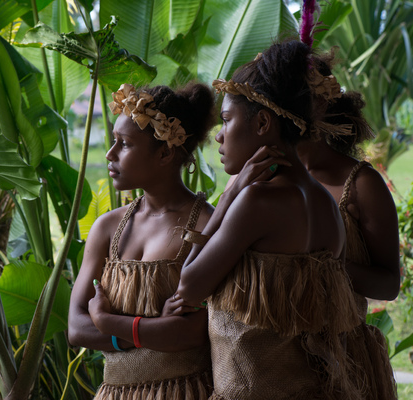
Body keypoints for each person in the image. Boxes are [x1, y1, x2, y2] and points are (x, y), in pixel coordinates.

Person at [93, 40, 365, 399]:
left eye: (227, 120)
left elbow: (188, 286)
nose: (219, 136)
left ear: (264, 123)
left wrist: (228, 200)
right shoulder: (324, 203)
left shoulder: (257, 201)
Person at [68, 82, 216, 398]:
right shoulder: (107, 228)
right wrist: (144, 332)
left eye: (124, 144)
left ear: (164, 152)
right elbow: (76, 327)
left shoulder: (206, 226)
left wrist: (107, 321)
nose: (110, 154)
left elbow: (192, 333)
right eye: (113, 142)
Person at [296, 52, 400, 399]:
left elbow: (388, 284)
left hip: (344, 360)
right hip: (278, 358)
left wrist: (324, 263)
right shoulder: (269, 177)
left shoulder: (361, 184)